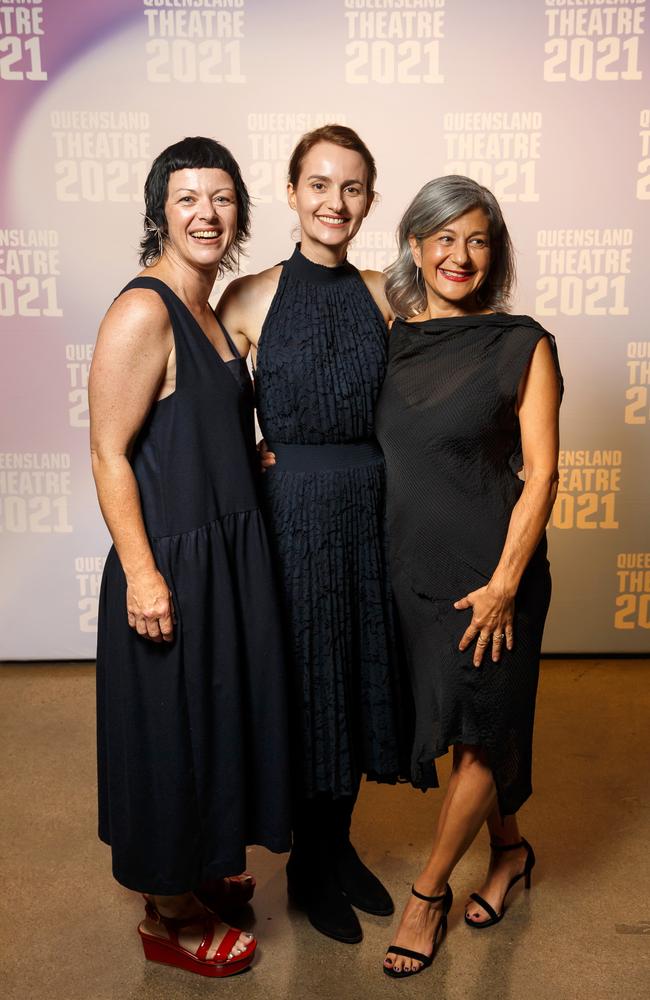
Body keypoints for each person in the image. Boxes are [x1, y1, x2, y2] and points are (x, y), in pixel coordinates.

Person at [89, 136, 291, 978]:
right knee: (169, 733)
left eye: (221, 198)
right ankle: (168, 912)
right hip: (168, 560)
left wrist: (252, 460)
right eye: (187, 200)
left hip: (228, 552)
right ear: (158, 213)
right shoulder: (145, 309)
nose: (206, 214)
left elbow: (193, 426)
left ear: (239, 211)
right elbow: (108, 451)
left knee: (215, 718)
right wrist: (141, 573)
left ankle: (201, 865)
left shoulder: (211, 307)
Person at [217, 125, 411, 945]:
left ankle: (336, 847)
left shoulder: (380, 293)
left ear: (369, 200)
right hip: (289, 515)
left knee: (359, 682)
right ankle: (304, 866)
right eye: (320, 185)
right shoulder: (249, 296)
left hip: (369, 510)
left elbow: (418, 405)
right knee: (305, 689)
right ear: (293, 193)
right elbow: (213, 417)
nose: (336, 202)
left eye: (354, 187)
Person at [375, 175, 562, 978]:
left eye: (478, 239)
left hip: (492, 580)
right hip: (413, 574)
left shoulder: (523, 343)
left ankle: (428, 896)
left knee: (482, 733)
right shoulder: (395, 337)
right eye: (444, 237)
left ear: (496, 252)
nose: (460, 254)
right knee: (463, 728)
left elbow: (544, 473)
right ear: (416, 246)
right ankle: (512, 853)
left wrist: (506, 583)